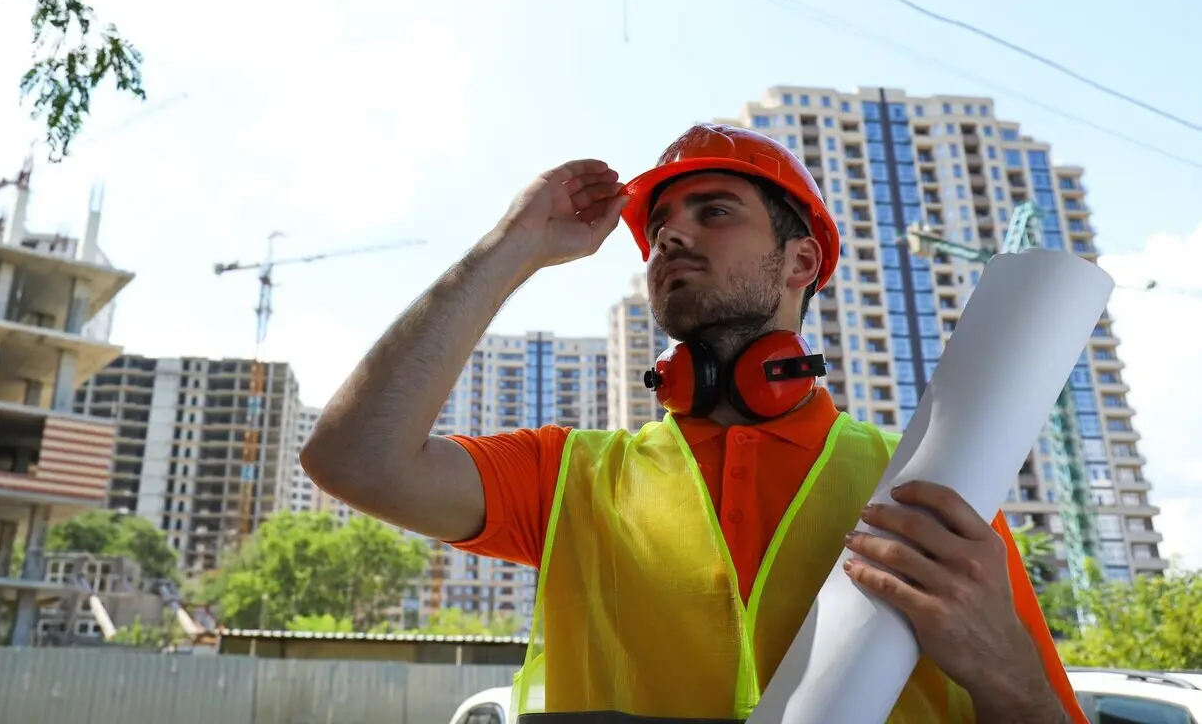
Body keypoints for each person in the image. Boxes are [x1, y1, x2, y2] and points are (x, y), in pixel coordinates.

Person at [302, 124, 1088, 724]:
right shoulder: (572, 477)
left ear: (801, 264)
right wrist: (512, 247)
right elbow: (353, 458)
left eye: (715, 212)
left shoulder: (929, 484)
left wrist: (1008, 675)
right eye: (662, 227)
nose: (671, 236)